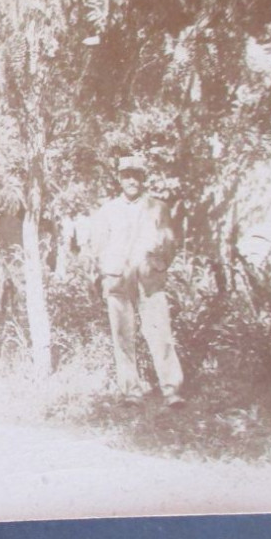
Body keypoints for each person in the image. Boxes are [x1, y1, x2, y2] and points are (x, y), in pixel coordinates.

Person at [85, 154, 185, 405]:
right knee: (123, 336)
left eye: (137, 175)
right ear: (119, 179)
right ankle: (132, 391)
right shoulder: (108, 210)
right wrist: (104, 273)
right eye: (126, 175)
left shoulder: (158, 208)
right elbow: (96, 246)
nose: (132, 180)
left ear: (143, 178)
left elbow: (171, 243)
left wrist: (158, 266)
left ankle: (171, 390)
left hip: (149, 281)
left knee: (160, 333)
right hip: (118, 280)